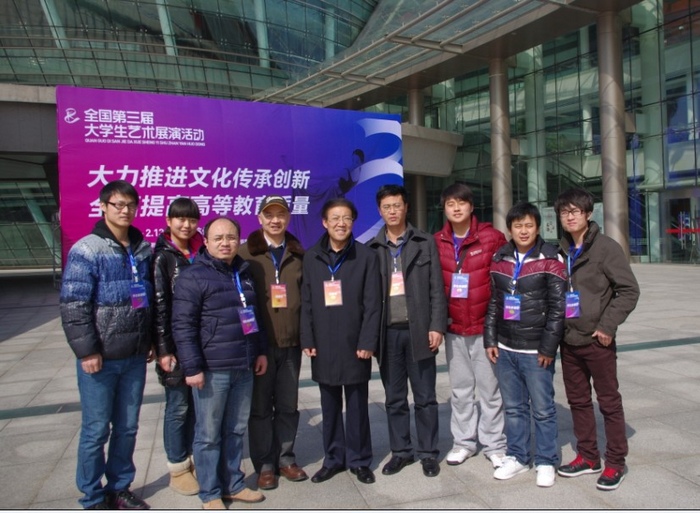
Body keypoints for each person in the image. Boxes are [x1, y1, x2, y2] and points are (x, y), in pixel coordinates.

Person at [60, 179, 153, 510]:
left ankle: (119, 487)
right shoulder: (87, 249)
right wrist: (87, 350)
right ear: (103, 206)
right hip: (100, 358)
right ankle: (92, 495)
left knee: (127, 428)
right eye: (118, 205)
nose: (125, 211)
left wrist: (149, 341)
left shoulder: (141, 248)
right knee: (96, 430)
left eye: (131, 205)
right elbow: (74, 304)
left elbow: (148, 299)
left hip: (134, 356)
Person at [172, 217, 268, 510]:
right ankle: (210, 492)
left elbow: (255, 315)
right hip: (212, 368)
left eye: (231, 237)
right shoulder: (193, 276)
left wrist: (260, 351)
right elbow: (183, 326)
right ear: (206, 241)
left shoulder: (243, 272)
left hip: (244, 364)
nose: (225, 243)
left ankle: (234, 484)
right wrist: (192, 367)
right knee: (208, 434)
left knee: (235, 429)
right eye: (218, 238)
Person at [554, 188, 640, 491]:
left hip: (596, 340)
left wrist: (607, 326)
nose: (570, 216)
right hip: (569, 340)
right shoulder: (561, 249)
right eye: (564, 212)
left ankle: (616, 461)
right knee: (578, 402)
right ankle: (588, 457)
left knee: (608, 402)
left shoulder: (605, 248)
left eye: (575, 211)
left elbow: (629, 290)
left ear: (588, 214)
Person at [484, 201, 566, 488]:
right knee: (514, 408)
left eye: (529, 225)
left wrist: (548, 347)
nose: (523, 231)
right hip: (506, 347)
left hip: (535, 350)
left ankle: (546, 460)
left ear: (537, 228)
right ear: (510, 229)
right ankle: (518, 456)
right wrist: (490, 338)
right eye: (518, 226)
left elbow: (558, 308)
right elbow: (494, 302)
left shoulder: (551, 257)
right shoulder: (501, 257)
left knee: (543, 409)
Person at [367, 184, 447, 479]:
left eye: (397, 205)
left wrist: (437, 325)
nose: (392, 211)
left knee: (425, 396)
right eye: (386, 207)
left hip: (420, 331)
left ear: (406, 207)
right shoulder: (372, 249)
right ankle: (401, 451)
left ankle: (428, 452)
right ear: (380, 210)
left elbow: (437, 288)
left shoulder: (425, 242)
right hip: (388, 334)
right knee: (395, 398)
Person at [300, 198, 381, 485]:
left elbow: (373, 303)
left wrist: (368, 340)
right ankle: (333, 458)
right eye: (335, 218)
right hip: (323, 342)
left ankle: (359, 460)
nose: (341, 223)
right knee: (329, 404)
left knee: (357, 405)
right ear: (325, 222)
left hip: (355, 342)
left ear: (353, 222)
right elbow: (306, 302)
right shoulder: (312, 257)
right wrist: (307, 337)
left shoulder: (365, 256)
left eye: (346, 218)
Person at [433, 183, 508, 469]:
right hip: (454, 329)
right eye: (450, 204)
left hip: (485, 330)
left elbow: (504, 282)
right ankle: (463, 443)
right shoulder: (437, 241)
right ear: (444, 208)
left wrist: (498, 326)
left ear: (471, 206)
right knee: (461, 391)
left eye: (461, 203)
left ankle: (495, 445)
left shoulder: (492, 238)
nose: (456, 208)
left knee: (490, 391)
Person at [239, 195, 308, 490]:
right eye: (269, 215)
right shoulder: (245, 254)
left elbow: (308, 299)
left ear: (288, 218)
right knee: (260, 409)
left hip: (291, 344)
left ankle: (286, 459)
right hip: (261, 346)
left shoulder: (298, 253)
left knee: (288, 405)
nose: (275, 220)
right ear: (260, 218)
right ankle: (265, 464)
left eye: (281, 214)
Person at [151, 197, 203, 496]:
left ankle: (194, 459)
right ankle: (178, 466)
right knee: (178, 407)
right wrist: (163, 349)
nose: (186, 225)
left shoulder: (202, 251)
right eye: (180, 219)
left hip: (201, 342)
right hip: (175, 343)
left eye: (192, 219)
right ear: (168, 221)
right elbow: (160, 306)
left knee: (196, 404)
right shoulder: (162, 257)